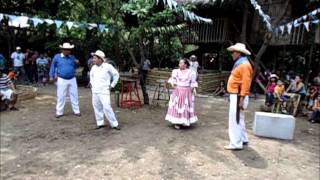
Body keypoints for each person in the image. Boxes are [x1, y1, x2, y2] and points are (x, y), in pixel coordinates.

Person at [224, 43, 253, 150]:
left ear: (238, 53)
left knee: (234, 119)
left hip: (238, 95)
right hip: (236, 94)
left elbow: (246, 84)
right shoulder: (240, 63)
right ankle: (243, 138)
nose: (232, 54)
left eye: (233, 52)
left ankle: (236, 143)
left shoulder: (244, 65)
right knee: (239, 118)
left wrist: (241, 99)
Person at [90, 50, 121, 130]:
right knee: (97, 107)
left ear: (100, 59)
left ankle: (114, 124)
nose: (93, 60)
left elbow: (116, 75)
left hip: (104, 90)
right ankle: (100, 123)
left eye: (95, 58)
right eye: (93, 58)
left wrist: (112, 85)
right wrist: (92, 85)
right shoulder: (93, 68)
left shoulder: (107, 66)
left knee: (107, 107)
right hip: (95, 90)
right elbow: (91, 77)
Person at [49, 42, 81, 118]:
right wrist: (51, 76)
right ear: (62, 50)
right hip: (62, 79)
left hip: (72, 78)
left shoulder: (72, 57)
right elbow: (53, 66)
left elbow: (76, 67)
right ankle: (59, 112)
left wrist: (78, 63)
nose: (68, 51)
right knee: (61, 95)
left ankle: (76, 111)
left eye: (69, 50)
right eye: (66, 49)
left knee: (74, 95)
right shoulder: (57, 57)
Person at [165, 58, 198, 130]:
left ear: (185, 64)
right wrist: (172, 84)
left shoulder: (191, 72)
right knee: (177, 106)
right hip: (178, 91)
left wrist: (194, 89)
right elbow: (173, 80)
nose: (179, 64)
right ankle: (177, 122)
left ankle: (184, 121)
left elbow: (192, 82)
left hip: (187, 91)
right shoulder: (176, 71)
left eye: (181, 63)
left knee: (185, 106)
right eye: (179, 63)